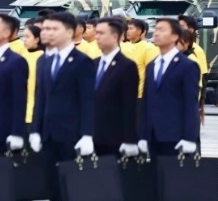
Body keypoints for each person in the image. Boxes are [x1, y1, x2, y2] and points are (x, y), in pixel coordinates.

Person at [31, 12, 95, 201]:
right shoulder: (44, 60)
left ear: (69, 32)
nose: (48, 33)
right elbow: (41, 97)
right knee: (51, 184)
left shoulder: (82, 62)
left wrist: (87, 134)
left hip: (71, 132)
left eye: (54, 29)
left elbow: (88, 100)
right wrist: (35, 129)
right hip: (48, 133)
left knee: (72, 186)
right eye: (46, 29)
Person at [139, 18, 200, 159]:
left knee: (175, 180)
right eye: (156, 29)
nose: (156, 33)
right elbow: (146, 103)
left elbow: (190, 104)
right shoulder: (152, 66)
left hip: (175, 136)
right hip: (153, 136)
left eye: (162, 30)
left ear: (174, 36)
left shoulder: (187, 66)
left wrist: (190, 138)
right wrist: (142, 135)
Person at [92, 18, 139, 157]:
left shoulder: (126, 66)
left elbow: (130, 106)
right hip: (92, 135)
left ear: (114, 36)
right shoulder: (93, 64)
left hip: (114, 139)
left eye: (101, 33)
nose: (97, 37)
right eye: (96, 33)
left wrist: (130, 140)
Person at [0, 14, 28, 156]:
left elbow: (19, 99)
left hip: (2, 131)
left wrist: (17, 132)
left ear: (6, 33)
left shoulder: (15, 62)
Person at [121, 18, 160, 98]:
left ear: (139, 31)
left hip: (140, 94)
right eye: (127, 29)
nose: (127, 31)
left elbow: (152, 72)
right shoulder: (124, 46)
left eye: (131, 28)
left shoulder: (148, 47)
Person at [21, 23, 44, 129]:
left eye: (27, 37)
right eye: (23, 37)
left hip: (36, 111)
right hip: (21, 110)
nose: (24, 40)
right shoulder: (21, 56)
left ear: (37, 39)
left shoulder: (43, 58)